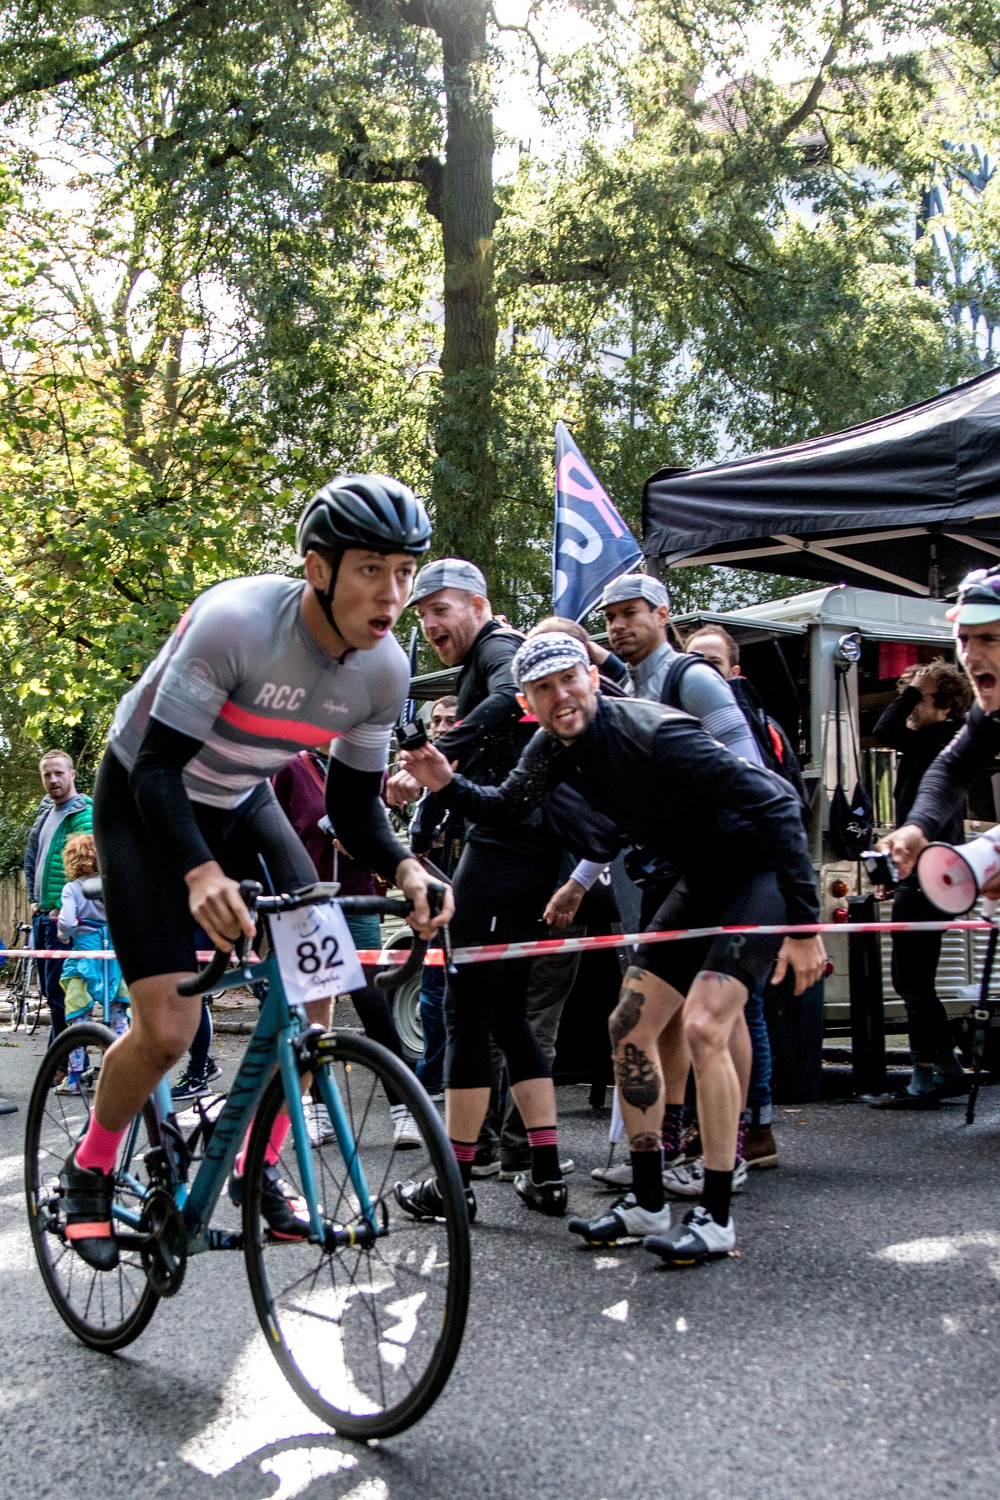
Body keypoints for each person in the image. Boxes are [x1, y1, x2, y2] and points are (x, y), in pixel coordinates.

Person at [59, 474, 451, 1272]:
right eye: (372, 569)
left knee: (315, 1000)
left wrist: (409, 866)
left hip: (240, 799)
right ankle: (90, 1167)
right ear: (319, 568)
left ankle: (257, 1168)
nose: (394, 593)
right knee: (167, 1030)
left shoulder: (384, 671)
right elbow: (159, 768)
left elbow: (354, 806)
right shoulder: (235, 622)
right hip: (145, 796)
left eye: (406, 572)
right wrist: (199, 873)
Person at [402, 632, 826, 1266]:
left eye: (569, 680)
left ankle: (715, 1215)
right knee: (627, 1025)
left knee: (706, 1026)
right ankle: (649, 1199)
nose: (560, 697)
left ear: (592, 679)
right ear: (528, 701)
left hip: (757, 872)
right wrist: (444, 784)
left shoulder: (655, 731)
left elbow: (778, 802)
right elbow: (507, 804)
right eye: (543, 689)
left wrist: (804, 925)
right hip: (701, 877)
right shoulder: (552, 745)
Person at [389, 558, 581, 1224]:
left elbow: (510, 702)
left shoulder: (499, 648)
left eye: (442, 609)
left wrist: (436, 755)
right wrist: (424, 828)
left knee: (467, 1015)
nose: (432, 625)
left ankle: (455, 1181)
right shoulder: (480, 657)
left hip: (505, 855)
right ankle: (548, 1174)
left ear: (477, 603)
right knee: (504, 1017)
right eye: (423, 614)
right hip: (525, 853)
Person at [682, 623, 811, 1168]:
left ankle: (753, 1129)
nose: (702, 671)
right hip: (704, 875)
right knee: (704, 1011)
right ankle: (713, 1127)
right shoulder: (686, 722)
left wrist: (799, 912)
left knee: (742, 1008)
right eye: (693, 660)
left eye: (713, 661)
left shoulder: (759, 727)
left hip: (755, 880)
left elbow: (790, 806)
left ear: (735, 671)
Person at [271, 743, 421, 1148]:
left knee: (372, 1003)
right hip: (306, 905)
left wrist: (363, 847)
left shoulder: (366, 764)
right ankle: (320, 1112)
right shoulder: (289, 768)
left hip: (356, 899)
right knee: (315, 1013)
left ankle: (404, 1110)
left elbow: (384, 830)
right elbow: (274, 832)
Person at [870, 660, 972, 1107]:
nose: (910, 704)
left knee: (911, 979)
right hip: (930, 870)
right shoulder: (934, 744)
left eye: (920, 698)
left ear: (945, 704)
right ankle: (946, 1069)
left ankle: (924, 1078)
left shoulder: (939, 739)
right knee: (917, 979)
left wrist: (914, 688)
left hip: (931, 873)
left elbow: (885, 727)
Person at [23, 751, 93, 1042]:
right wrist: (32, 898)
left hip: (61, 919)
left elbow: (87, 868)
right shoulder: (45, 813)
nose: (53, 780)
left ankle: (68, 1064)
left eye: (59, 773)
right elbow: (32, 858)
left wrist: (63, 907)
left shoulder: (84, 813)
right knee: (52, 993)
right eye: (47, 775)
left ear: (72, 774)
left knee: (62, 993)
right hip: (41, 916)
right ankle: (63, 1060)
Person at [56, 833, 129, 1094]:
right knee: (118, 1016)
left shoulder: (72, 889)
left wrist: (66, 934)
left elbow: (66, 922)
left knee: (79, 1018)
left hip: (85, 957)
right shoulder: (112, 885)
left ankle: (74, 1079)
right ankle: (117, 1075)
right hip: (113, 956)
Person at [413, 694, 459, 1101]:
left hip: (474, 893)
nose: (442, 727)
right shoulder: (414, 772)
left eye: (451, 720)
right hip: (431, 893)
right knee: (432, 996)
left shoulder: (475, 769)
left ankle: (448, 1076)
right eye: (438, 721)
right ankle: (429, 1078)